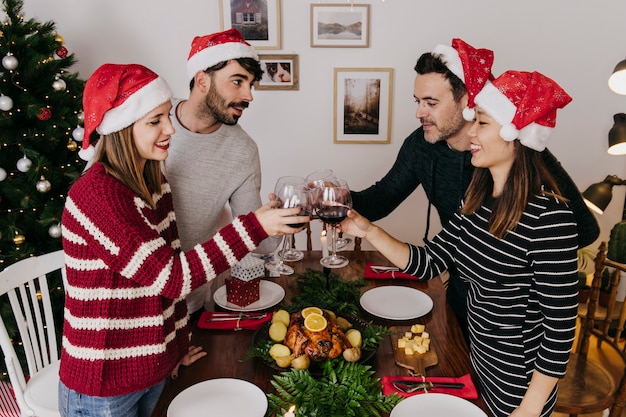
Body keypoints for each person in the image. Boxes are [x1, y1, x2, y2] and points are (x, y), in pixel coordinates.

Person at [58, 63, 308, 417]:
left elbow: (161, 285)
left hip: (151, 370)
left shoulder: (151, 182)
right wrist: (253, 226)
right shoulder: (98, 195)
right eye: (155, 120)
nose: (170, 128)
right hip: (105, 386)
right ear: (121, 127)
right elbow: (173, 278)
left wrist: (173, 350)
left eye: (166, 117)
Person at [342, 70, 579, 417]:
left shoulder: (550, 217)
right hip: (477, 364)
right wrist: (366, 229)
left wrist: (529, 409)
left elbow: (559, 329)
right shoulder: (477, 200)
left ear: (514, 135)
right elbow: (428, 262)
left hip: (518, 388)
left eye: (481, 123)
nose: (472, 133)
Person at [350, 38, 599, 334]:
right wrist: (338, 200)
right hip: (461, 295)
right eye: (417, 102)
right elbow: (383, 199)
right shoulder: (423, 147)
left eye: (431, 103)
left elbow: (580, 230)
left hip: (514, 322)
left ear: (468, 101)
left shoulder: (521, 153)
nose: (419, 113)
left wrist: (510, 283)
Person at [165, 28, 281, 316]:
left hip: (189, 306)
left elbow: (259, 242)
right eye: (238, 82)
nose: (249, 95)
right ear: (202, 80)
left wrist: (277, 220)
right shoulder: (151, 123)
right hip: (132, 307)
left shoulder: (242, 150)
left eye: (251, 84)